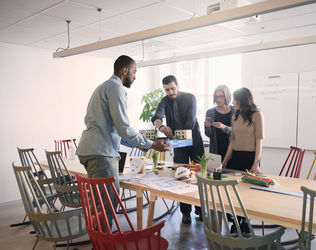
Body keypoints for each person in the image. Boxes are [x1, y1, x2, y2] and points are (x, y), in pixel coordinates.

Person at [77, 55, 169, 229]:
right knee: (108, 202)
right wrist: (150, 144)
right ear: (124, 71)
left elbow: (113, 128)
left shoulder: (102, 87)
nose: (135, 76)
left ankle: (98, 245)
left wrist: (140, 144)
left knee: (100, 202)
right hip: (101, 153)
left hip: (90, 149)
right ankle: (104, 249)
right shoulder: (116, 88)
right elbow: (123, 128)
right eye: (134, 72)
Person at [151, 75, 204, 224]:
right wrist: (161, 126)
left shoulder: (190, 98)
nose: (170, 92)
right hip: (178, 145)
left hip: (195, 142)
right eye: (167, 90)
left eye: (172, 88)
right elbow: (157, 116)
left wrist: (179, 136)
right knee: (181, 176)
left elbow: (191, 120)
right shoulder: (165, 101)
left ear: (178, 86)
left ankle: (200, 208)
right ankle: (185, 212)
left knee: (199, 174)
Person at [221, 87, 264, 234]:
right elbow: (232, 141)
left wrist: (255, 163)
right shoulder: (235, 115)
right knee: (234, 191)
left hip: (250, 157)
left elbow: (259, 141)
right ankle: (237, 221)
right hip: (236, 156)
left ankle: (245, 221)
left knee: (247, 193)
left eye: (235, 99)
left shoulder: (257, 115)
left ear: (242, 101)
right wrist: (225, 161)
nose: (232, 102)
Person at [204, 85, 234, 161]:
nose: (218, 99)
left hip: (233, 149)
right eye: (216, 97)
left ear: (226, 96)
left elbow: (238, 132)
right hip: (216, 149)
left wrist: (224, 127)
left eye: (221, 96)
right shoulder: (210, 112)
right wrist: (207, 127)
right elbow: (209, 135)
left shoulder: (235, 111)